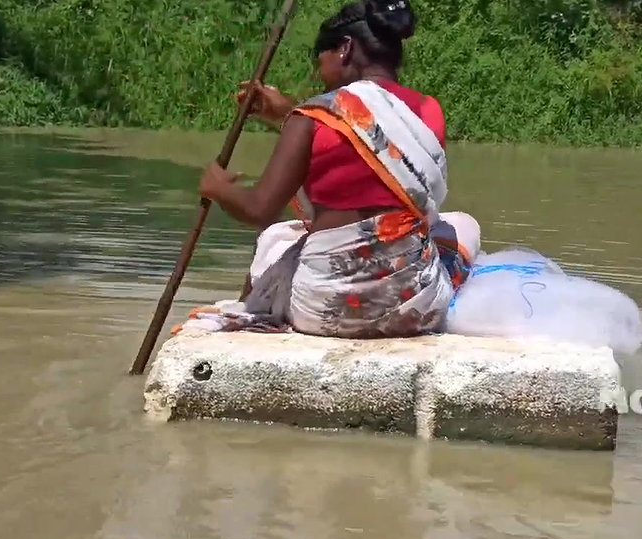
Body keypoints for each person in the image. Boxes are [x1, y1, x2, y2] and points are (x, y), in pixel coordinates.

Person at [178, 0, 476, 338]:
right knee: (463, 225)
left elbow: (258, 209)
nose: (320, 73)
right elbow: (367, 148)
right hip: (414, 310)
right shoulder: (428, 111)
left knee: (273, 238)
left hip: (321, 311)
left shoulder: (312, 118)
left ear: (344, 50)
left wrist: (217, 187)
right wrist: (289, 115)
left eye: (321, 59)